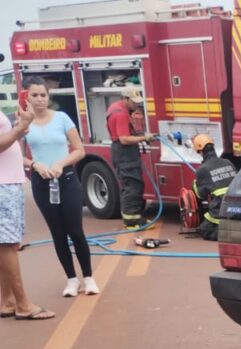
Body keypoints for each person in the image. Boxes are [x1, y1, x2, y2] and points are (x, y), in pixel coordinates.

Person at [21, 77, 98, 297]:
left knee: (75, 230)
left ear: (49, 96)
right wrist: (35, 164)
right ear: (27, 97)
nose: (39, 100)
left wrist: (60, 163)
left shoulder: (62, 118)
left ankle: (89, 277)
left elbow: (79, 149)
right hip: (41, 183)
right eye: (34, 95)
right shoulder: (23, 123)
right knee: (58, 233)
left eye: (43, 95)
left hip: (66, 180)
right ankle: (71, 280)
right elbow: (17, 156)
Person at [0, 107, 54, 320]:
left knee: (7, 244)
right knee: (7, 244)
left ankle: (7, 301)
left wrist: (19, 128)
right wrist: (21, 127)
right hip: (3, 186)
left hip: (8, 183)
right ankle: (23, 304)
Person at [106, 85, 153, 229]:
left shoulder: (116, 107)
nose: (137, 104)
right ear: (125, 99)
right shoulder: (120, 114)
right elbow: (124, 139)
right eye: (134, 101)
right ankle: (132, 221)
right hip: (124, 152)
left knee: (132, 184)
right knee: (132, 185)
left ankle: (135, 217)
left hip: (123, 151)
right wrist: (143, 138)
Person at [192, 134, 237, 241]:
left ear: (200, 151)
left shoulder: (202, 169)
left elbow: (200, 195)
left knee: (205, 230)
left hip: (221, 207)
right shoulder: (228, 162)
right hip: (237, 205)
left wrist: (195, 183)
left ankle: (228, 234)